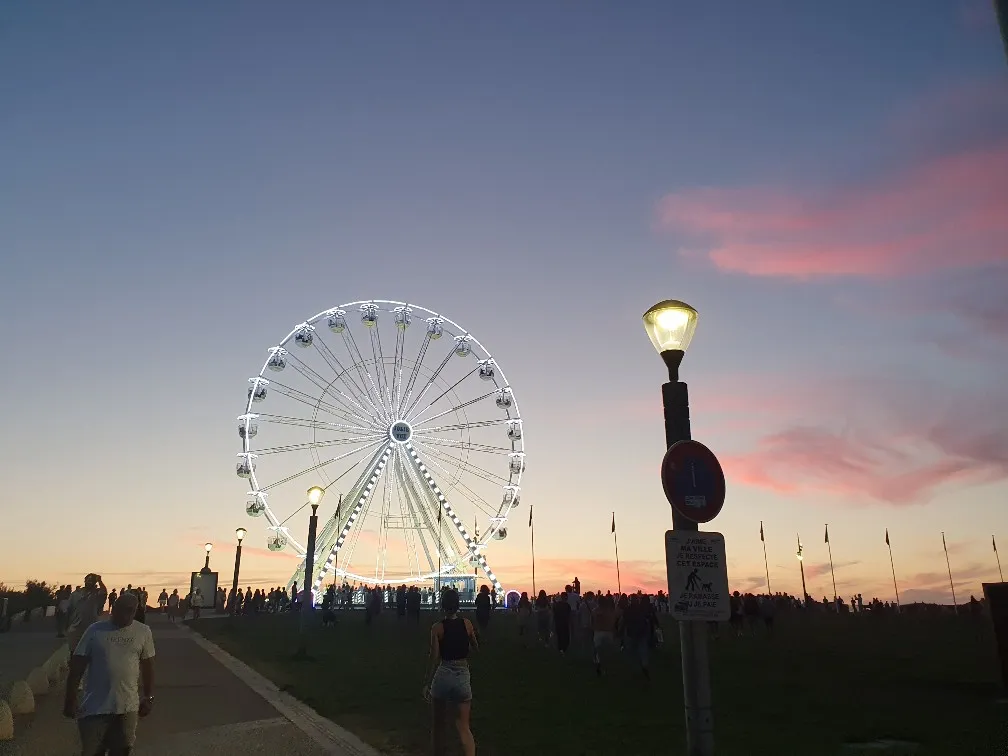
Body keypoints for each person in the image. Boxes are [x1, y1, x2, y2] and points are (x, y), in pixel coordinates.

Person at [64, 592, 155, 756]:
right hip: (94, 709)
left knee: (122, 751)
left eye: (131, 610)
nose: (126, 615)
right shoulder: (95, 631)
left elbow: (148, 666)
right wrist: (70, 699)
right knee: (92, 752)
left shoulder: (143, 632)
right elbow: (77, 666)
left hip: (127, 708)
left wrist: (148, 698)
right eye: (122, 610)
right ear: (113, 609)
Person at [424, 588, 478, 756]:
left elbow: (434, 656)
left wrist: (427, 682)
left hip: (443, 674)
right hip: (462, 676)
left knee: (438, 726)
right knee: (463, 727)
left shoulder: (437, 628)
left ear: (443, 605)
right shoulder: (467, 624)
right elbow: (475, 646)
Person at [67, 574, 108, 656]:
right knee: (74, 651)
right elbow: (69, 608)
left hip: (91, 626)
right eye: (88, 580)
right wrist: (68, 624)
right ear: (84, 581)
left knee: (89, 651)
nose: (89, 582)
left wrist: (100, 581)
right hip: (76, 626)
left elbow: (104, 593)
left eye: (92, 580)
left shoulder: (97, 593)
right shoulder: (76, 593)